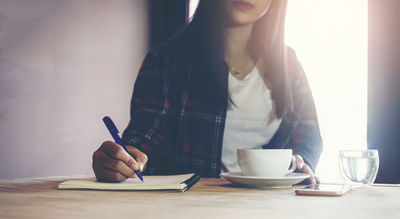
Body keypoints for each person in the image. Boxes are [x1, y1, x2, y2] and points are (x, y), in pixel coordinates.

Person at [92, 0, 323, 183]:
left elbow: (308, 137)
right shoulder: (167, 59)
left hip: (267, 209)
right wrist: (124, 158)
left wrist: (301, 164)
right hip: (188, 211)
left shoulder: (288, 64)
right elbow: (148, 135)